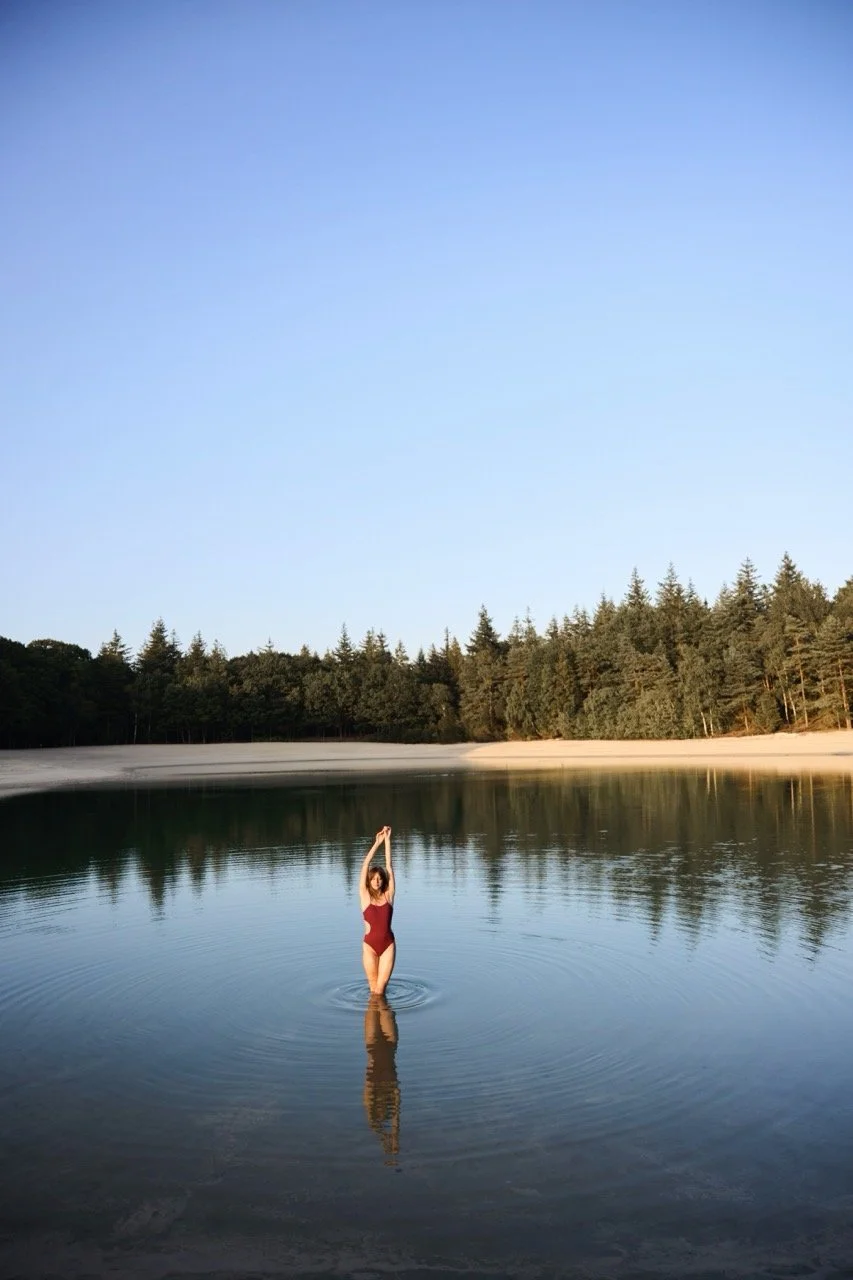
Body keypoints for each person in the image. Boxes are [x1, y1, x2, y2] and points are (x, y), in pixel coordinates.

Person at [359, 825, 395, 995]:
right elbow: (365, 865)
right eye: (374, 879)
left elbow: (389, 866)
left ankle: (383, 1015)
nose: (377, 881)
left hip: (388, 945)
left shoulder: (389, 896)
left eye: (380, 879)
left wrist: (387, 841)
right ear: (370, 881)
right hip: (369, 947)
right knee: (373, 990)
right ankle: (374, 1018)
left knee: (380, 991)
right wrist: (377, 843)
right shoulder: (365, 897)